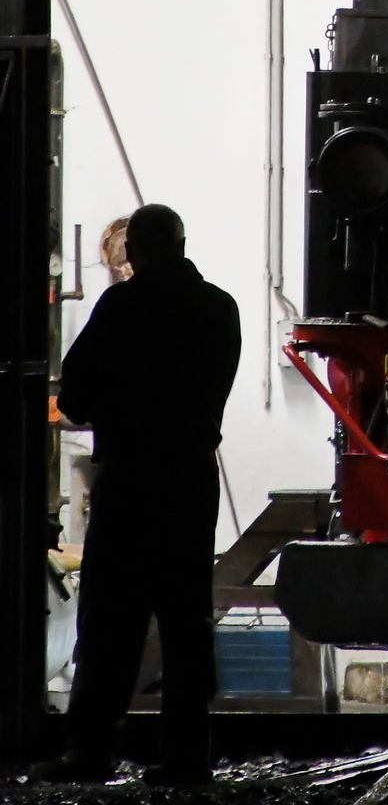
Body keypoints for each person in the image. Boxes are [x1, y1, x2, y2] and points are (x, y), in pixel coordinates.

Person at [35, 205, 241, 786]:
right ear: (182, 243)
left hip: (130, 480)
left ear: (135, 251)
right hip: (190, 480)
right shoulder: (220, 308)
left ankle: (91, 749)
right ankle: (187, 756)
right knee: (185, 621)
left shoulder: (122, 306)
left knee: (109, 619)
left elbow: (74, 397)